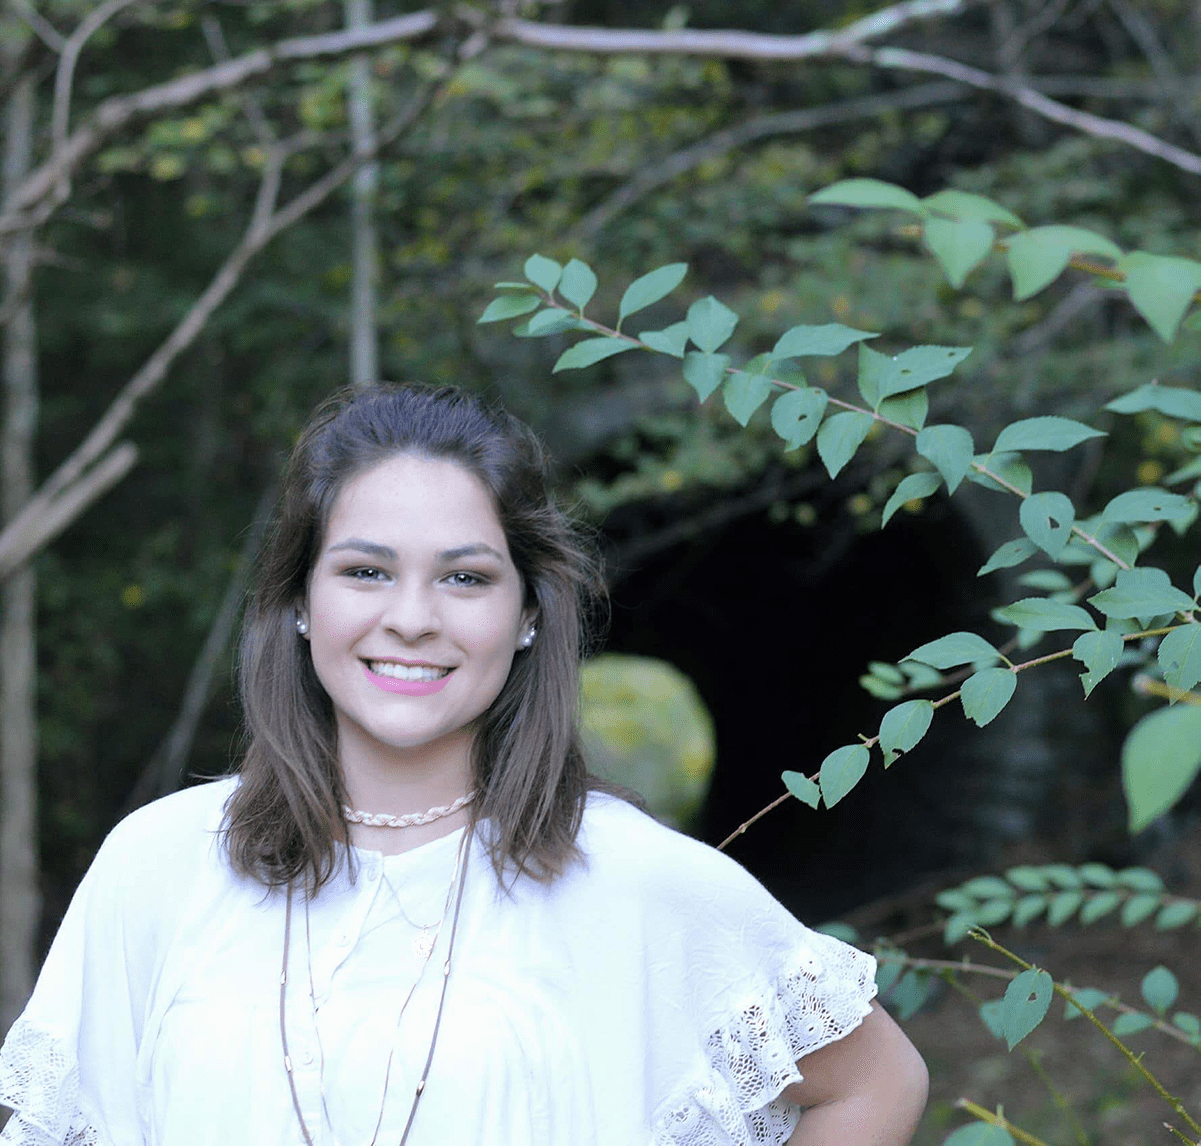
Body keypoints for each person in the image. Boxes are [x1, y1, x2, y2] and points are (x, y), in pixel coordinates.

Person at [0, 383, 928, 1145]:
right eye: (365, 571)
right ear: (296, 600)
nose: (411, 616)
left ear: (527, 615)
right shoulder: (159, 866)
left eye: (464, 577)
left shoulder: (635, 880)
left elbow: (873, 1083)